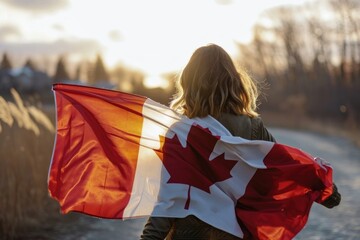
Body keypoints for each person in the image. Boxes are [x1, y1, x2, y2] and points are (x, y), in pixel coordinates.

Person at [140, 44, 340, 239]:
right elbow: (285, 166)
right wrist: (325, 188)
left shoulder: (180, 133)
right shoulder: (251, 127)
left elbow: (168, 196)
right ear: (232, 81)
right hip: (236, 231)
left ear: (188, 83)